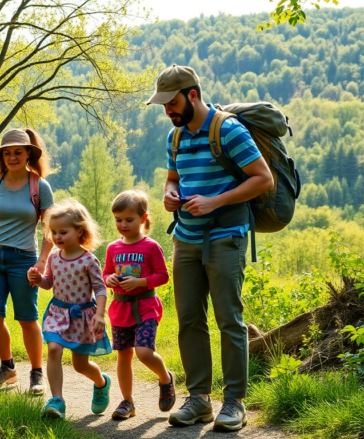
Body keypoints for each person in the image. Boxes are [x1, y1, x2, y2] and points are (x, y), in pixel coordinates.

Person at [147, 65, 273, 431]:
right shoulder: (176, 137)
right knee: (188, 319)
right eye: (163, 105)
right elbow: (173, 179)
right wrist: (170, 196)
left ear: (192, 95)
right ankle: (199, 399)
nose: (167, 110)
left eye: (171, 103)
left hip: (226, 235)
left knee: (229, 320)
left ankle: (234, 402)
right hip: (185, 237)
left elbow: (262, 179)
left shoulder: (229, 130)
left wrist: (215, 202)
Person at [0, 128, 55, 395]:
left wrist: (42, 261)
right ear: (1, 156)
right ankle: (7, 367)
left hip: (24, 260)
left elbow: (49, 229)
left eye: (18, 152)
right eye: (7, 153)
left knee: (27, 318)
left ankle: (36, 372)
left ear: (28, 153)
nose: (12, 157)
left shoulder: (39, 186)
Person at [27, 198, 112, 419]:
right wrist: (38, 279)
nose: (57, 237)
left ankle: (102, 383)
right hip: (57, 313)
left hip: (81, 316)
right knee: (53, 349)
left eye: (63, 232)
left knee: (80, 365)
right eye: (53, 232)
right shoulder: (54, 258)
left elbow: (101, 289)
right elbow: (49, 283)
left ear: (80, 232)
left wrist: (100, 315)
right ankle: (57, 401)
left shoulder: (89, 260)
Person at [102, 189, 174, 420]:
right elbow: (105, 274)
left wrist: (141, 281)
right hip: (120, 309)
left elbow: (163, 275)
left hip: (145, 307)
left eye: (128, 220)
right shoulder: (113, 248)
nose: (122, 224)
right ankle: (127, 402)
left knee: (143, 352)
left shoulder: (151, 246)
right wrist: (109, 279)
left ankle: (165, 378)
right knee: (123, 355)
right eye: (118, 220)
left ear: (143, 219)